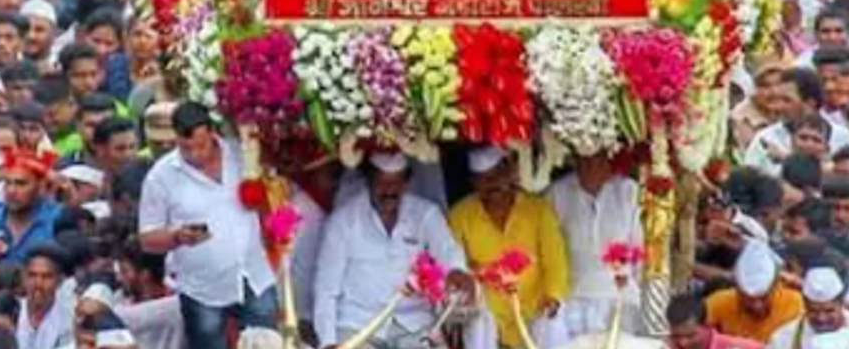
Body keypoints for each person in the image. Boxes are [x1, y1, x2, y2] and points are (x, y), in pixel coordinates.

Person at [139, 102, 276, 349]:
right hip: (203, 290)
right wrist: (177, 236)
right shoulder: (160, 177)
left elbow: (271, 197)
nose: (195, 154)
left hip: (255, 275)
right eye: (186, 148)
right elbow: (147, 239)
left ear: (212, 132)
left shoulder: (242, 154)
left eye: (201, 146)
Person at [313, 152, 470, 349]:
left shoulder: (425, 213)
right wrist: (328, 342)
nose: (389, 191)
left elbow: (447, 250)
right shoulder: (343, 220)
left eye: (395, 183)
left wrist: (456, 270)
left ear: (406, 182)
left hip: (414, 323)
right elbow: (326, 288)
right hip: (357, 323)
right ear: (369, 180)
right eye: (381, 183)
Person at [448, 148, 568, 348]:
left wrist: (553, 296)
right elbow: (454, 263)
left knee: (552, 324)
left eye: (497, 176)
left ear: (509, 173)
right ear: (473, 183)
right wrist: (473, 271)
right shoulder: (460, 215)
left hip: (536, 306)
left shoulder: (538, 210)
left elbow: (555, 261)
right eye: (484, 179)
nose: (492, 184)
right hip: (488, 312)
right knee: (478, 325)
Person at [548, 152, 642, 337]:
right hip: (573, 298)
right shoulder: (556, 193)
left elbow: (639, 252)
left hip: (621, 297)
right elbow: (551, 254)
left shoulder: (629, 191)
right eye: (584, 159)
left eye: (598, 158)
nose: (591, 166)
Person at [765, 267, 849, 349]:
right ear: (805, 306)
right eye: (813, 311)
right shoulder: (784, 338)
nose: (821, 318)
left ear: (841, 303)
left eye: (829, 311)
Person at [705, 240, 805, 344]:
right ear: (737, 289)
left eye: (764, 297)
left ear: (776, 285)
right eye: (749, 299)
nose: (757, 306)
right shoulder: (720, 302)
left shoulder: (796, 305)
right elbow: (697, 330)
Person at [0, 150, 60, 264]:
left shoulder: (57, 217)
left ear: (40, 185)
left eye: (21, 183)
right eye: (7, 183)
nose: (11, 191)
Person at [16, 244, 74, 349]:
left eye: (46, 276)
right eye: (32, 275)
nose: (38, 284)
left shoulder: (69, 320)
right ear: (23, 277)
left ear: (59, 280)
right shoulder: (12, 310)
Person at [670, 293, 763, 349]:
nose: (683, 343)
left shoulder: (739, 346)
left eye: (690, 336)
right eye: (676, 336)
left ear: (707, 325)